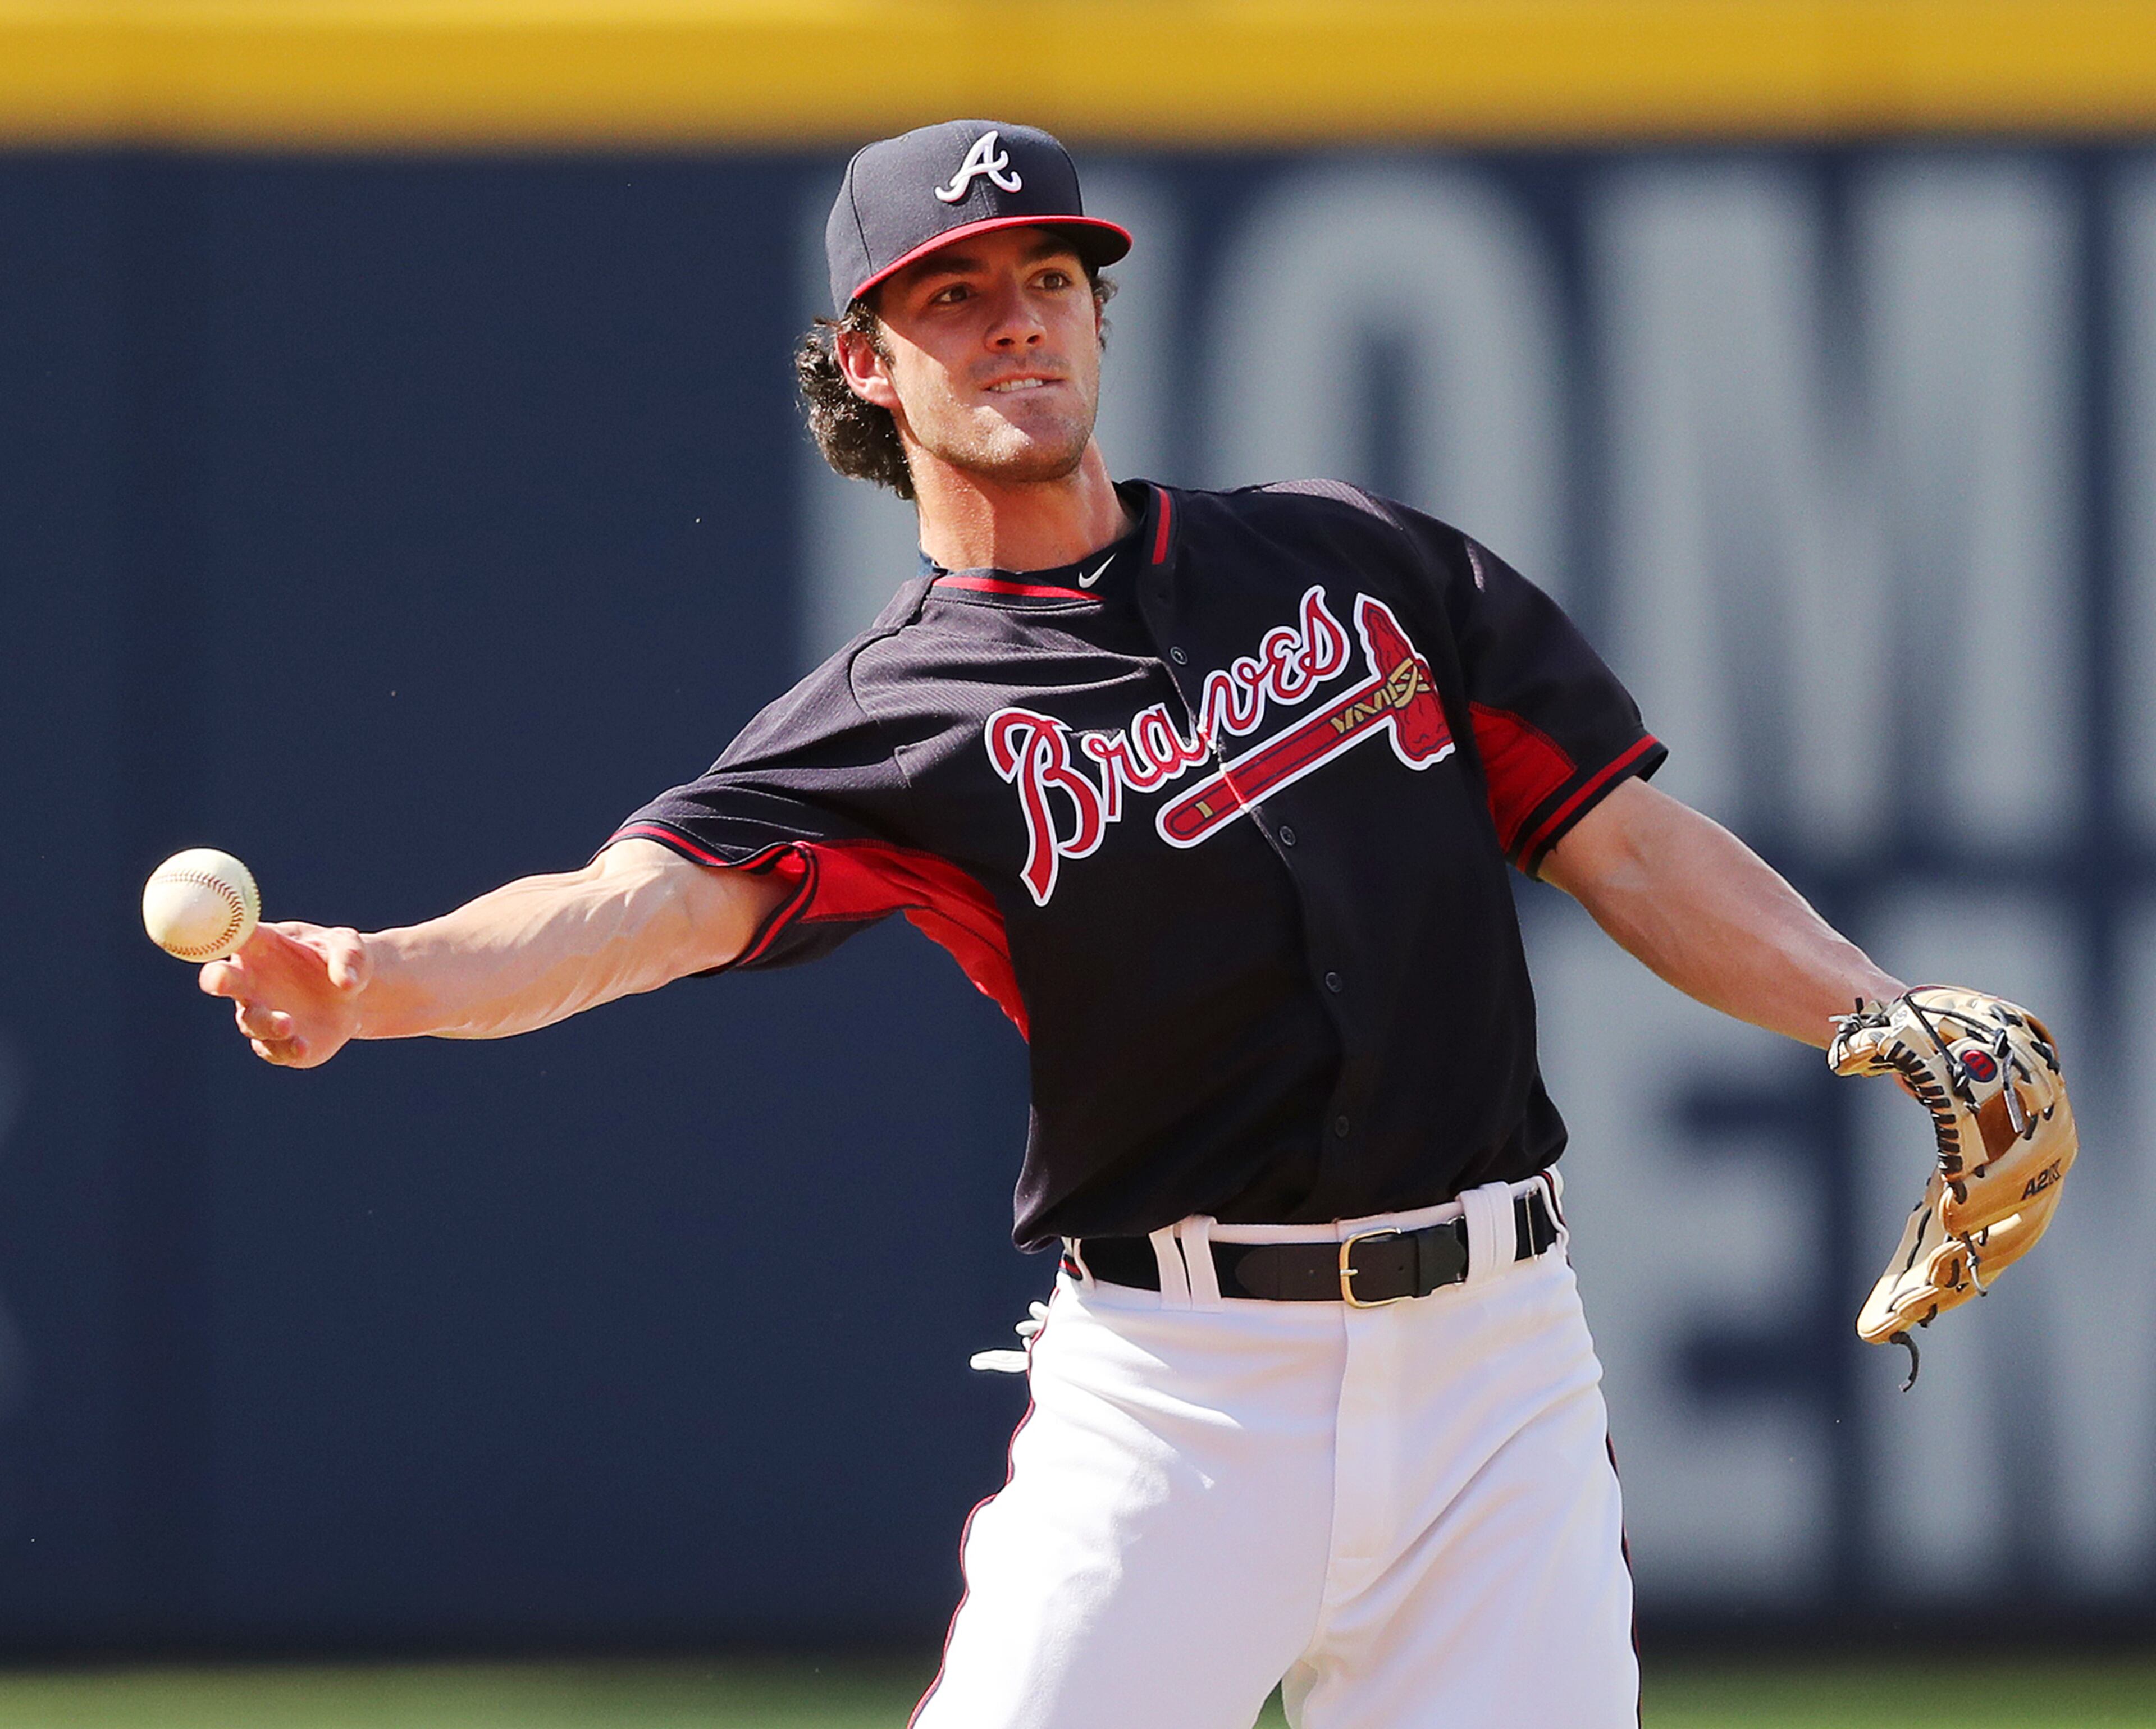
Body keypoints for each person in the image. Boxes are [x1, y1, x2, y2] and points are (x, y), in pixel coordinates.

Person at [201, 120, 1908, 1726]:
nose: (1017, 324)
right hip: (1184, 1397)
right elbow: (632, 909)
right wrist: (384, 979)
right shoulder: (892, 715)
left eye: (1050, 282)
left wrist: (1874, 1010)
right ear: (866, 362)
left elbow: (1619, 838)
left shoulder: (1356, 562)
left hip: (1500, 1375)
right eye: (955, 292)